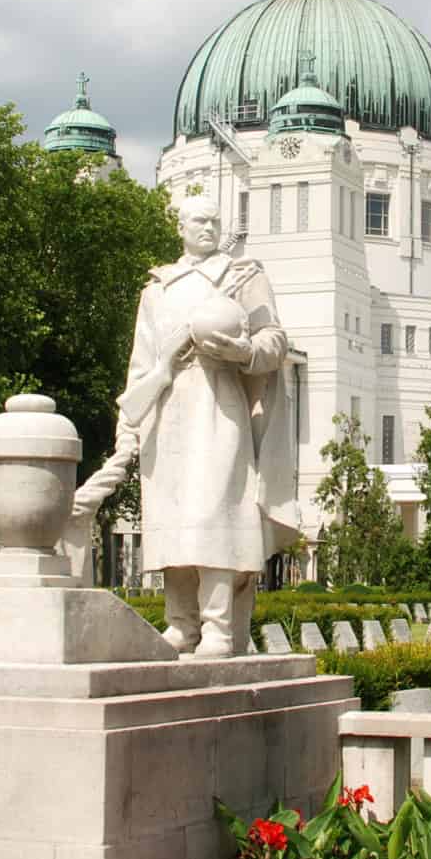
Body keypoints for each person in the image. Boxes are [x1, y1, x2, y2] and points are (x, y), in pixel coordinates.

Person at [120, 195, 296, 656]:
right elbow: (140, 364)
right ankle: (181, 623)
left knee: (216, 509)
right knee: (172, 513)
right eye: (200, 219)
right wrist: (130, 423)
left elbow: (275, 340)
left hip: (220, 403)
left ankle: (219, 627)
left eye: (216, 220)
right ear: (180, 227)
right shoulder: (157, 288)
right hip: (167, 407)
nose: (210, 227)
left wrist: (242, 353)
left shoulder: (243, 276)